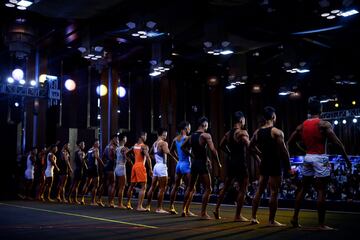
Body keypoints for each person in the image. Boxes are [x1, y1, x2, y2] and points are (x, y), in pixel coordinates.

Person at [288, 98, 351, 230]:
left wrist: (304, 150)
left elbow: (290, 143)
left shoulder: (302, 126)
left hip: (308, 157)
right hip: (320, 157)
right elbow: (338, 143)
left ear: (309, 111)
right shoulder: (323, 124)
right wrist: (347, 159)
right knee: (321, 190)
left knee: (303, 188)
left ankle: (294, 218)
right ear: (320, 110)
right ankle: (321, 224)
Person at [250, 106, 292, 226]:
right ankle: (271, 221)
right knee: (274, 192)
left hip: (264, 163)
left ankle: (253, 217)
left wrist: (259, 156)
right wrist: (288, 168)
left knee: (259, 190)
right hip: (274, 163)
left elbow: (250, 147)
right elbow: (284, 152)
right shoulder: (277, 132)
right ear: (273, 117)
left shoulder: (257, 132)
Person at [181, 117, 222, 220]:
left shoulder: (191, 136)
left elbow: (182, 147)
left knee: (190, 188)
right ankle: (203, 213)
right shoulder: (206, 135)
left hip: (194, 164)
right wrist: (218, 163)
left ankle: (183, 210)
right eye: (207, 126)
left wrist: (192, 156)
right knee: (208, 188)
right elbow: (213, 150)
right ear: (204, 125)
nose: (207, 128)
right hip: (202, 164)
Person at [214, 111, 250, 221]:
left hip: (231, 163)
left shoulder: (228, 133)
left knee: (225, 187)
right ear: (241, 120)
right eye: (244, 120)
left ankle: (216, 209)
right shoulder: (241, 132)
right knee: (243, 189)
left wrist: (229, 153)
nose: (244, 122)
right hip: (240, 163)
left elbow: (221, 145)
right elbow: (249, 145)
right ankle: (238, 215)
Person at [146, 128, 176, 213]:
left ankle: (148, 206)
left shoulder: (155, 143)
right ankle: (159, 208)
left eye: (166, 135)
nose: (165, 137)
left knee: (152, 186)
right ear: (159, 135)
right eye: (164, 135)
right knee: (162, 188)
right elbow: (167, 152)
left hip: (156, 166)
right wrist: (175, 160)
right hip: (162, 166)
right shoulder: (163, 143)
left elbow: (150, 153)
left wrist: (155, 158)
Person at [168, 121, 196, 216]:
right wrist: (192, 155)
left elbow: (171, 151)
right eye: (189, 127)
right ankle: (185, 210)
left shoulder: (175, 139)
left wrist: (177, 159)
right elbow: (190, 150)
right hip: (186, 164)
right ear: (185, 128)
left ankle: (171, 207)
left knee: (175, 186)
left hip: (179, 164)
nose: (190, 129)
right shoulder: (187, 138)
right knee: (191, 188)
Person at [126, 132, 153, 211]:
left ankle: (128, 204)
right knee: (143, 187)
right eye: (145, 136)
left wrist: (130, 161)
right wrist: (150, 169)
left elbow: (127, 153)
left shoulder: (134, 146)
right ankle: (139, 206)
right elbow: (148, 158)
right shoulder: (144, 146)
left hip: (134, 166)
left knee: (131, 186)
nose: (146, 137)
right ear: (142, 136)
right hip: (141, 166)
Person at [80, 139, 104, 205]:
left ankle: (82, 199)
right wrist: (103, 164)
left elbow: (83, 159)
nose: (99, 144)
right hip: (94, 168)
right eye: (98, 143)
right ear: (95, 143)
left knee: (87, 184)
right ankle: (93, 201)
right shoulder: (96, 149)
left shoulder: (89, 150)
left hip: (89, 168)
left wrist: (87, 166)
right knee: (96, 185)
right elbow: (97, 157)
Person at [115, 134, 131, 209]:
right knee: (122, 187)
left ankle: (119, 203)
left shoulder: (117, 148)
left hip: (117, 166)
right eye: (126, 137)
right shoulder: (123, 148)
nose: (126, 139)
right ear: (123, 139)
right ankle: (120, 204)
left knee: (119, 186)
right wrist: (130, 161)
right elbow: (125, 156)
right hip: (121, 167)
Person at [102, 134, 118, 208]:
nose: (117, 140)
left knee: (110, 184)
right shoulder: (112, 147)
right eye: (116, 139)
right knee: (113, 184)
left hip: (107, 166)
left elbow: (103, 156)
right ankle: (111, 202)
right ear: (113, 139)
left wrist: (105, 165)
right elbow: (113, 157)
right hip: (111, 166)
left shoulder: (106, 147)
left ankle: (109, 202)